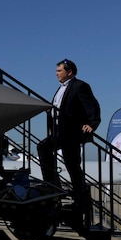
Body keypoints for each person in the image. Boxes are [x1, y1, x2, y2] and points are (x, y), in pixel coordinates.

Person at [37, 59, 101, 222]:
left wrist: (92, 123)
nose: (56, 73)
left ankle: (78, 197)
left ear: (69, 71)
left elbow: (92, 105)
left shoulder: (79, 86)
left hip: (71, 132)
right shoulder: (61, 88)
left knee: (71, 164)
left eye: (59, 70)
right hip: (60, 131)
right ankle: (55, 184)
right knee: (50, 152)